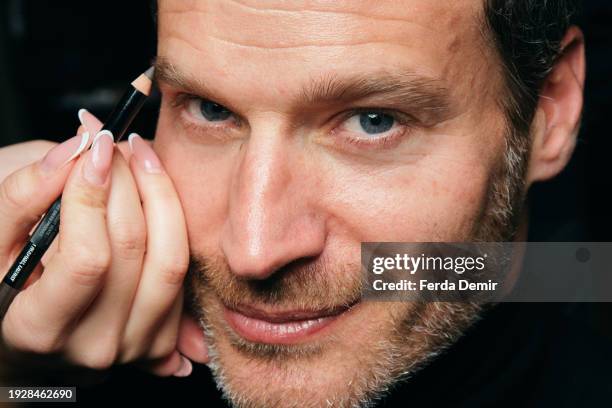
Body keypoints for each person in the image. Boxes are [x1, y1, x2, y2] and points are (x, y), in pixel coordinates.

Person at [0, 0, 589, 406]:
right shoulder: (75, 356)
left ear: (550, 113)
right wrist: (24, 382)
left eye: (372, 121)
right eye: (210, 109)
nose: (253, 250)